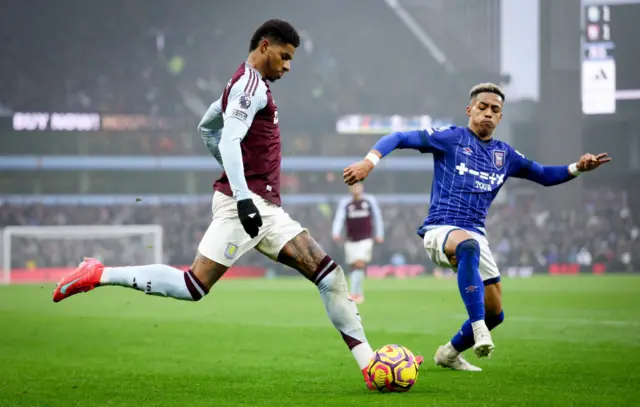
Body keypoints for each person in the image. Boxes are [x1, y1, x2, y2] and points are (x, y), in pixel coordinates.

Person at [52, 19, 422, 389]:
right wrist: (242, 196)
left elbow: (205, 126)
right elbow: (227, 139)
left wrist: (240, 182)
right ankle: (98, 273)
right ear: (265, 46)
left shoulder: (241, 83)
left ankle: (371, 367)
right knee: (193, 285)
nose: (288, 66)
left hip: (264, 207)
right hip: (248, 205)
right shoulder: (249, 87)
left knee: (329, 275)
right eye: (284, 56)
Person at [343, 83, 610, 371]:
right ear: (470, 110)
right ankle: (479, 329)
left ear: (500, 117)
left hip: (475, 235)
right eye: (482, 107)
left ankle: (449, 353)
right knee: (467, 251)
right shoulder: (450, 138)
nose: (488, 113)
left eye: (495, 110)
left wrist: (578, 168)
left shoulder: (504, 155)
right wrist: (370, 162)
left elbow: (544, 175)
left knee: (496, 312)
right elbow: (398, 136)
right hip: (440, 228)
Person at [332, 183, 384, 304]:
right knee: (353, 266)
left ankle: (356, 294)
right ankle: (356, 292)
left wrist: (379, 234)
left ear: (362, 187)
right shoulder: (345, 203)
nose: (356, 188)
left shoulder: (369, 201)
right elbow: (339, 218)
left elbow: (377, 217)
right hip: (351, 239)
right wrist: (336, 232)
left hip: (365, 239)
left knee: (359, 263)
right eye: (353, 186)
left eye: (358, 185)